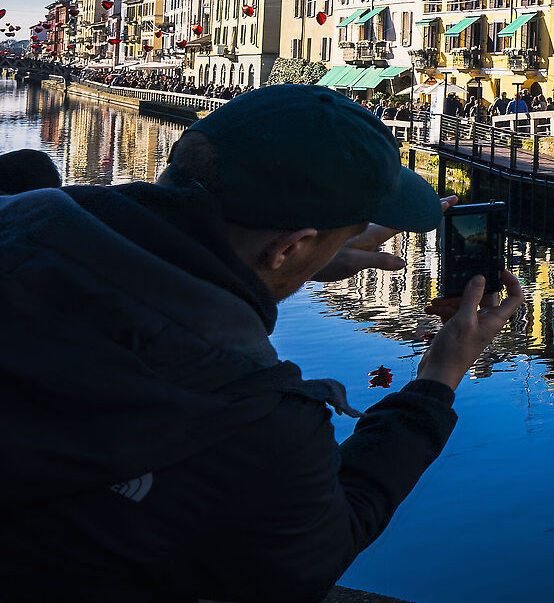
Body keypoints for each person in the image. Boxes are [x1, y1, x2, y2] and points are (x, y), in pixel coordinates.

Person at [0, 83, 524, 601]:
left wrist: (290, 268)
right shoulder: (261, 422)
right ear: (290, 244)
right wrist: (436, 381)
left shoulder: (17, 224)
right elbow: (317, 553)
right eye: (342, 235)